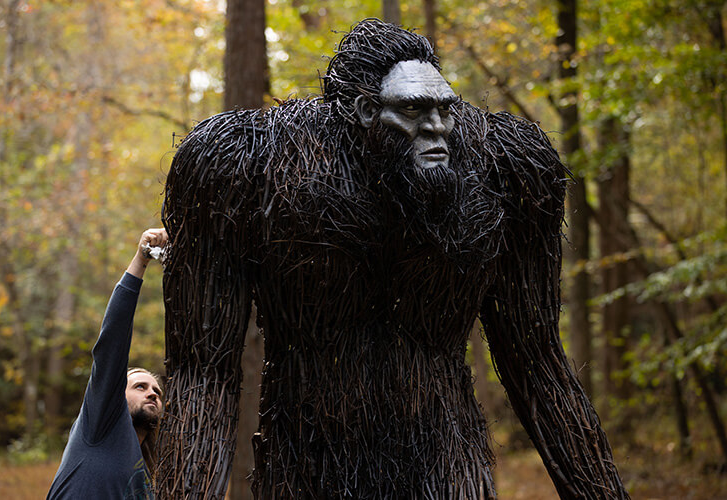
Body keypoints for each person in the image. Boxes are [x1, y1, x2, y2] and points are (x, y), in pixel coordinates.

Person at [157, 19, 629, 499]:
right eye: (412, 110)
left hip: (446, 460)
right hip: (308, 460)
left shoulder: (503, 169)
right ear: (364, 110)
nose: (438, 130)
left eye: (446, 109)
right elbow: (203, 373)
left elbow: (537, 361)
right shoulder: (251, 167)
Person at [47, 228, 167, 500]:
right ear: (115, 395)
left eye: (157, 391)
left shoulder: (147, 476)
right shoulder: (102, 424)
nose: (152, 392)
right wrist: (140, 260)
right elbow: (112, 341)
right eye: (139, 386)